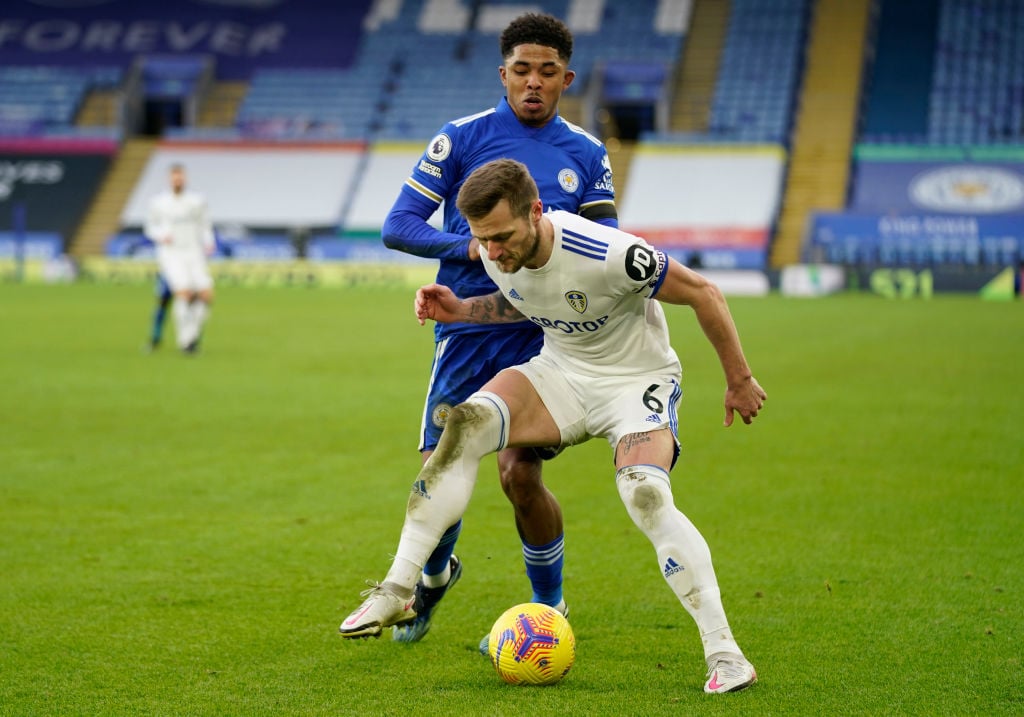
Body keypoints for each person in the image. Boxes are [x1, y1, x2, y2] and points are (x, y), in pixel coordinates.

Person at [340, 158, 766, 695]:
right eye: (482, 241)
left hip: (635, 382)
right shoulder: (497, 251)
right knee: (465, 422)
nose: (492, 252)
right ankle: (399, 589)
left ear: (537, 211)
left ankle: (726, 654)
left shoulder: (609, 253)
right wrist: (463, 310)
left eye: (502, 238)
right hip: (561, 372)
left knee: (645, 495)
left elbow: (703, 292)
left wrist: (739, 379)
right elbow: (527, 299)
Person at [378, 12, 617, 642]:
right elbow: (398, 225)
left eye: (546, 72)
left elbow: (604, 244)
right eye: (520, 70)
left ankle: (550, 608)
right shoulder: (460, 137)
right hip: (466, 332)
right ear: (502, 74)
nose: (532, 82)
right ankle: (432, 580)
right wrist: (476, 249)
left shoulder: (587, 154)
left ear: (566, 78)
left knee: (519, 473)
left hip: (542, 333)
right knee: (438, 470)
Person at [143, 163, 215, 354]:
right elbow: (150, 227)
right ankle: (184, 341)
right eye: (174, 177)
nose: (178, 180)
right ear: (169, 179)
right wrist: (161, 236)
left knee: (206, 295)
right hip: (171, 254)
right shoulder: (158, 202)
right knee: (182, 294)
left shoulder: (197, 201)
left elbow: (205, 225)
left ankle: (191, 336)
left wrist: (209, 242)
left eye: (180, 176)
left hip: (194, 252)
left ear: (185, 178)